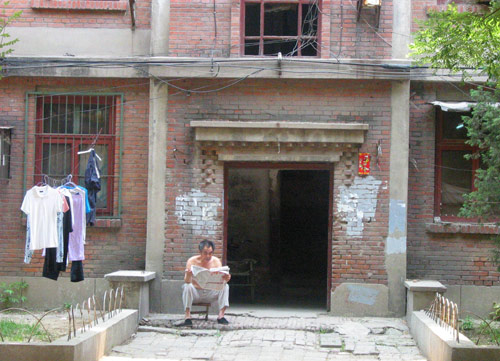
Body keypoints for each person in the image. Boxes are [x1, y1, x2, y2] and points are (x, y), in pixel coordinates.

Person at [178, 239, 231, 326]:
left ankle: (221, 316)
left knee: (226, 286)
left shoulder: (216, 261)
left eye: (210, 253)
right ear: (200, 252)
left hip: (210, 292)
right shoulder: (192, 261)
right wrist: (188, 274)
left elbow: (221, 281)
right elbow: (187, 281)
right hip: (196, 292)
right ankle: (187, 316)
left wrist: (226, 278)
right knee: (187, 286)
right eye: (205, 253)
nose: (208, 256)